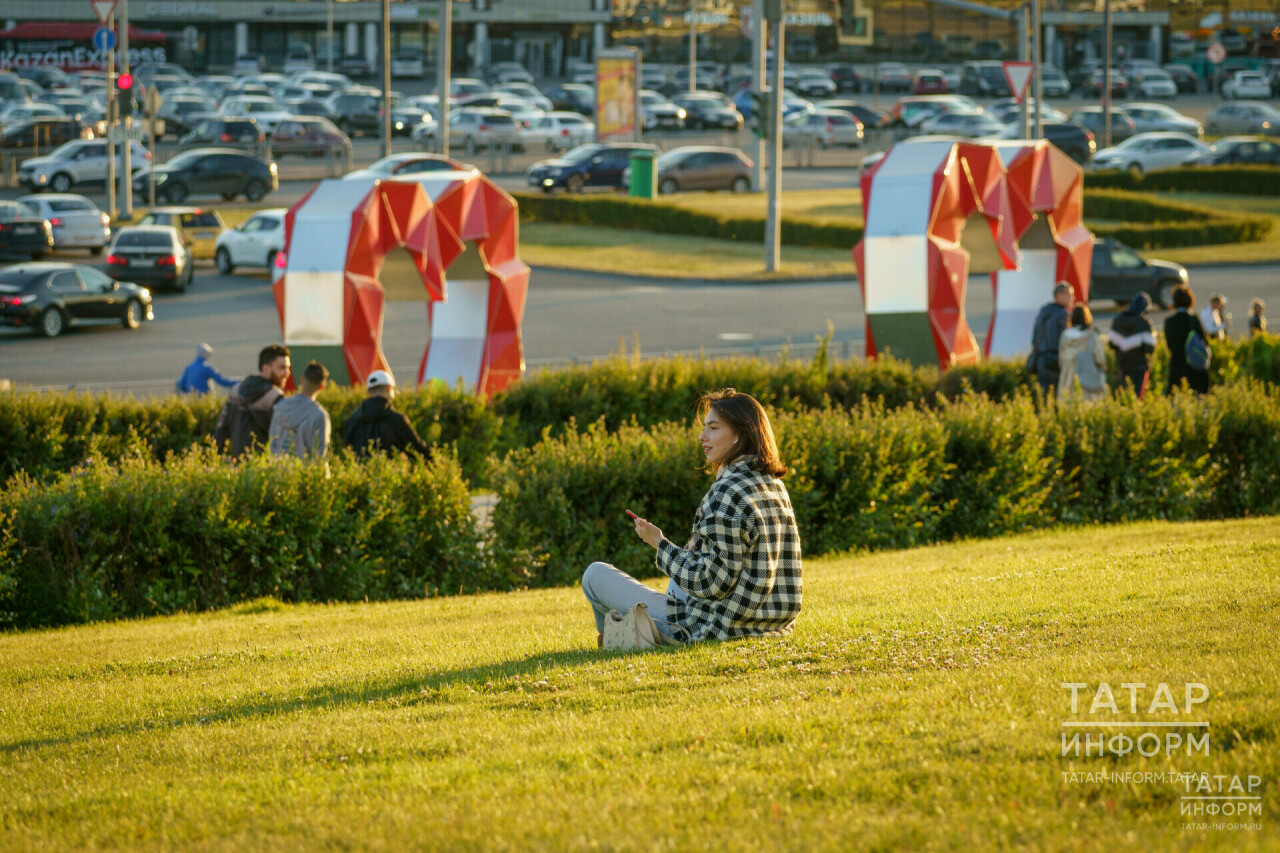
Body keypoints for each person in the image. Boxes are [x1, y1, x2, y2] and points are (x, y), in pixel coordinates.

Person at [581, 389, 802, 646]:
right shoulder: (773, 484)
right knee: (680, 571)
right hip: (770, 624)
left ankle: (626, 636)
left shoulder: (727, 493)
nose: (702, 436)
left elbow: (712, 583)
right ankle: (628, 632)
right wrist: (686, 551)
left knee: (594, 575)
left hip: (713, 626)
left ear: (740, 434)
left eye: (713, 428)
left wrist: (659, 544)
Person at [214, 344, 291, 458]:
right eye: (282, 367)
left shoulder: (235, 391)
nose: (287, 372)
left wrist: (214, 463)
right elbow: (284, 440)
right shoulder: (275, 398)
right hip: (265, 469)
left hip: (238, 469)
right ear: (265, 368)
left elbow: (220, 433)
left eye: (288, 368)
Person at [342, 369, 432, 458]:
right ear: (389, 388)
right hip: (388, 471)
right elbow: (418, 450)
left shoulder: (352, 420)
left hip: (357, 472)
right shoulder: (397, 420)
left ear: (368, 391)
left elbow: (347, 451)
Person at [268, 360, 331, 461]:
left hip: (277, 471)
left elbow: (272, 445)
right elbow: (320, 455)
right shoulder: (319, 416)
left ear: (301, 379)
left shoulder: (279, 407)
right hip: (304, 474)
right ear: (322, 387)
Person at [1107, 292, 1156, 398]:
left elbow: (1111, 343)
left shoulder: (1118, 319)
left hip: (1122, 364)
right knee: (1138, 397)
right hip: (1139, 366)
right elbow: (1150, 348)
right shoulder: (1144, 322)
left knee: (1123, 395)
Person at [1164, 285, 1210, 395]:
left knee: (1174, 397)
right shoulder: (1193, 319)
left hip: (1176, 365)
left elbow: (1170, 345)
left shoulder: (1169, 321)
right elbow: (1204, 342)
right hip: (1194, 364)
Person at [1029, 282, 1073, 396]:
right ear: (1059, 295)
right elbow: (1066, 340)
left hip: (1040, 359)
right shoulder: (1062, 314)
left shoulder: (1044, 311)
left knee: (1043, 395)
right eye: (1070, 294)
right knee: (1057, 396)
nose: (1072, 298)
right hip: (1054, 360)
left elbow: (1035, 336)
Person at [1057, 305, 1108, 402]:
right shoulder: (1091, 336)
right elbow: (1100, 357)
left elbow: (1061, 357)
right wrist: (1103, 368)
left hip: (1067, 374)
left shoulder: (1065, 335)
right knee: (1086, 405)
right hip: (1087, 375)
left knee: (1068, 403)